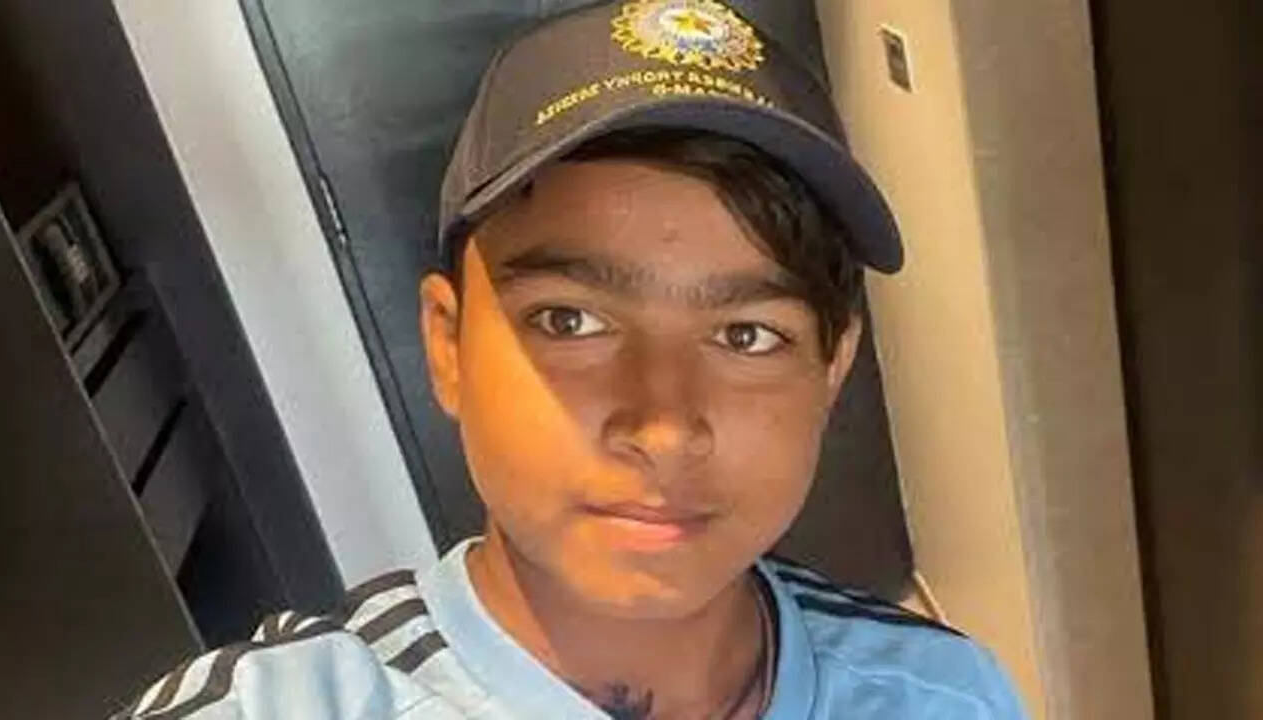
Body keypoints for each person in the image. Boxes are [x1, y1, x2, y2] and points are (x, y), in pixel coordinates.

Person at [115, 1, 1026, 718]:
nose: (663, 426)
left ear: (832, 369)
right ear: (447, 346)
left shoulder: (946, 695)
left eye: (747, 335)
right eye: (570, 320)